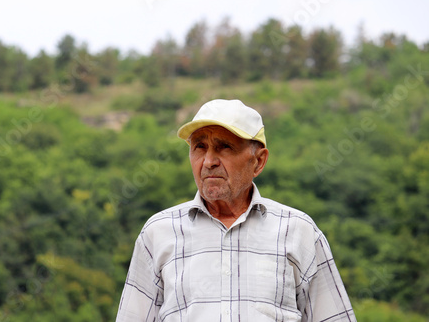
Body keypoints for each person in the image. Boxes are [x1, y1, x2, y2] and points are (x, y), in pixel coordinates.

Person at [116, 99, 356, 321]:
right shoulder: (158, 233)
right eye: (199, 147)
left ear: (258, 161)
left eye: (225, 147)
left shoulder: (298, 231)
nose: (209, 161)